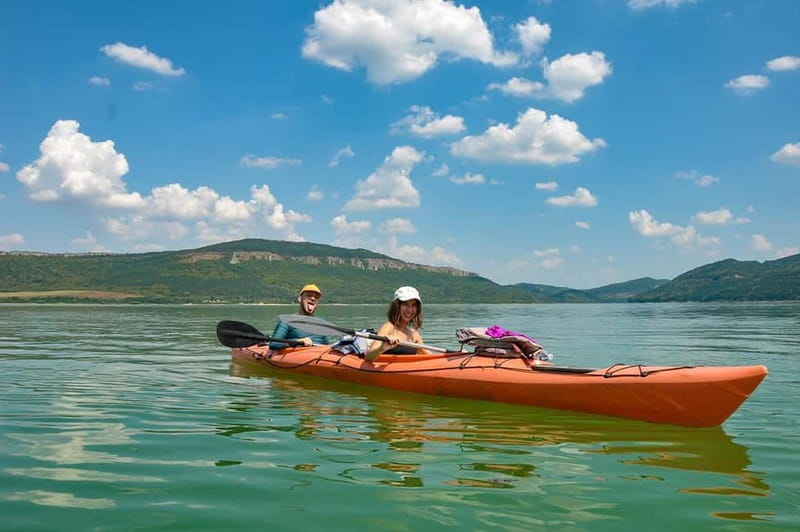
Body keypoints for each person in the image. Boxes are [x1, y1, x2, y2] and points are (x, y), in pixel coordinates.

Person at [365, 286, 427, 361]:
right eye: (406, 304)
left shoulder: (414, 335)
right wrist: (381, 348)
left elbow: (429, 356)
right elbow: (368, 357)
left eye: (413, 305)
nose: (410, 310)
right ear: (397, 306)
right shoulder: (389, 327)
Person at [269, 284, 332, 350]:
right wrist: (297, 342)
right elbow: (274, 344)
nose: (313, 298)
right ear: (300, 299)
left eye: (316, 297)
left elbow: (328, 346)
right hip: (297, 355)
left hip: (319, 356)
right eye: (309, 295)